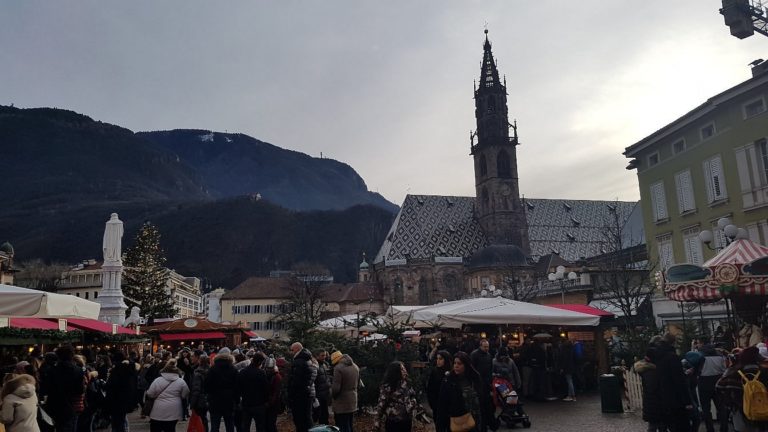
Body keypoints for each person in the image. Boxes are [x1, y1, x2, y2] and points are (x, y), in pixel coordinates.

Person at [716, 346, 768, 432]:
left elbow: (719, 386)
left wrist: (729, 402)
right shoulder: (764, 371)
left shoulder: (735, 372)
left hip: (740, 410)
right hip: (763, 410)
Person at [441, 352, 487, 432]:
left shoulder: (474, 379)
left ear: (466, 365)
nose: (456, 366)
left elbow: (483, 401)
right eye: (454, 363)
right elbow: (442, 406)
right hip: (459, 421)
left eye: (459, 363)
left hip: (476, 419)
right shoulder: (449, 381)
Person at [45, 345, 85, 432]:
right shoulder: (78, 370)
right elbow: (80, 390)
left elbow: (47, 389)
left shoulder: (52, 370)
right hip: (70, 405)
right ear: (72, 355)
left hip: (54, 405)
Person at [373, 362, 420, 432]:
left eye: (404, 368)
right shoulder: (387, 387)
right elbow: (381, 405)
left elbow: (413, 397)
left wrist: (412, 404)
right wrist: (377, 422)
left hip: (406, 421)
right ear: (396, 372)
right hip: (393, 421)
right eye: (401, 369)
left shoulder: (407, 384)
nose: (404, 371)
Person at [145, 360, 190, 432]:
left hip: (158, 410)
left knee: (156, 428)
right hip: (174, 410)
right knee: (170, 428)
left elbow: (150, 393)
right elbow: (185, 394)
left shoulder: (157, 380)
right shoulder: (180, 381)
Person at [205, 348, 239, 432]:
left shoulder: (212, 369)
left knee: (214, 425)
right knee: (230, 424)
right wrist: (236, 400)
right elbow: (237, 387)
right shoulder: (233, 369)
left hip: (215, 400)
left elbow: (206, 385)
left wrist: (209, 397)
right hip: (229, 401)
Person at [104, 352, 138, 432]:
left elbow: (111, 386)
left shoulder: (116, 370)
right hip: (126, 400)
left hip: (116, 400)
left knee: (117, 422)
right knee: (122, 421)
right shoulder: (130, 370)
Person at [698, 345, 728, 432]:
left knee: (706, 408)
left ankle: (710, 429)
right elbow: (724, 369)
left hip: (704, 382)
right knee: (721, 407)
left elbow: (697, 370)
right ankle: (724, 428)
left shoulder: (700, 355)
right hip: (718, 381)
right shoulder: (719, 356)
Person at [287, 343, 314, 432]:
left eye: (292, 350)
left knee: (299, 420)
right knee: (307, 418)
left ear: (297, 349)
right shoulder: (307, 359)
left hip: (299, 395)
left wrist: (290, 395)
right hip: (306, 392)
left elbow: (295, 381)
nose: (291, 352)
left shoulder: (298, 362)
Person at [238, 353, 268, 432]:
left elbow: (238, 387)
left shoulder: (243, 372)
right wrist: (266, 400)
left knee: (245, 426)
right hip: (259, 403)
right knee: (260, 426)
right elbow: (265, 388)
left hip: (246, 403)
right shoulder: (261, 373)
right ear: (260, 362)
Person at [331, 351, 359, 432]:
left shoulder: (338, 368)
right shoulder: (355, 366)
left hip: (342, 402)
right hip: (353, 399)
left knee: (342, 425)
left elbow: (336, 389)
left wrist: (332, 395)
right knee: (349, 423)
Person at [469, 341, 493, 432]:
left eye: (488, 346)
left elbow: (490, 369)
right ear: (480, 346)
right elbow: (471, 369)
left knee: (486, 405)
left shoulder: (489, 355)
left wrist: (490, 381)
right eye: (485, 347)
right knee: (479, 405)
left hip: (486, 384)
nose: (487, 348)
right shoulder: (474, 355)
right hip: (477, 384)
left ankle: (485, 424)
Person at [426, 351, 452, 432]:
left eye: (440, 359)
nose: (438, 361)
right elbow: (430, 389)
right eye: (437, 359)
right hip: (437, 407)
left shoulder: (451, 372)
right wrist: (433, 405)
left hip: (450, 408)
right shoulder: (435, 372)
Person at [189, 352, 210, 432]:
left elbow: (196, 389)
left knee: (200, 419)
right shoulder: (211, 371)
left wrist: (192, 403)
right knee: (204, 418)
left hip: (199, 400)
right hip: (208, 398)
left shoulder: (198, 373)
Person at [263, 357, 282, 432]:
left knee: (271, 424)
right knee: (266, 424)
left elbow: (276, 392)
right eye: (267, 368)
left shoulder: (277, 377)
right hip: (266, 402)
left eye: (270, 368)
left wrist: (270, 402)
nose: (268, 370)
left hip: (273, 404)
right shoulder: (264, 375)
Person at [312, 350, 331, 425]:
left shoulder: (324, 365)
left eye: (325, 355)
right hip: (318, 395)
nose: (324, 357)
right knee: (320, 415)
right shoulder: (315, 366)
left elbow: (326, 378)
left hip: (325, 395)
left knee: (325, 415)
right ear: (317, 356)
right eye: (322, 355)